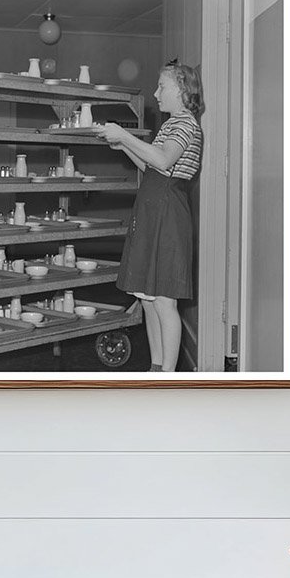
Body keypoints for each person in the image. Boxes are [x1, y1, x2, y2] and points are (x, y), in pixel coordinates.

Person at [97, 59, 204, 372]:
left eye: (162, 87)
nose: (156, 93)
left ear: (182, 91)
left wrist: (126, 136)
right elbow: (152, 166)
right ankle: (156, 366)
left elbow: (163, 157)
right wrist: (122, 146)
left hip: (167, 214)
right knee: (147, 297)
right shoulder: (172, 124)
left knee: (164, 301)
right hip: (153, 208)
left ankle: (168, 377)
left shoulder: (185, 124)